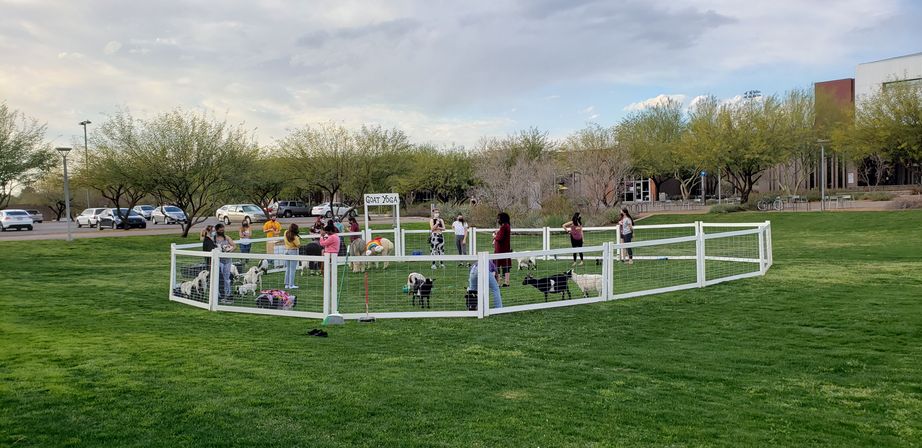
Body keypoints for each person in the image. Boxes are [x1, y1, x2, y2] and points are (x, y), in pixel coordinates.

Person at [214, 224, 236, 303]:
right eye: (220, 230)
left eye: (223, 230)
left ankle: (228, 293)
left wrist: (229, 251)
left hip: (227, 260)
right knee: (218, 277)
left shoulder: (226, 237)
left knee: (226, 278)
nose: (222, 231)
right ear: (217, 230)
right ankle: (218, 294)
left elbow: (234, 245)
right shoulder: (214, 238)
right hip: (219, 261)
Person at [493, 212, 512, 287]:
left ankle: (498, 282)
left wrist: (495, 236)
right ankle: (506, 282)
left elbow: (500, 238)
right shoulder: (507, 226)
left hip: (500, 250)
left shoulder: (504, 227)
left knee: (498, 265)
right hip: (505, 248)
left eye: (499, 218)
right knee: (506, 266)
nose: (498, 220)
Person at [283, 223, 301, 289]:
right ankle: (291, 284)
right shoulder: (295, 237)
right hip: (293, 251)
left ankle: (286, 284)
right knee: (292, 269)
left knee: (288, 268)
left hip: (286, 251)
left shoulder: (285, 232)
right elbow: (298, 245)